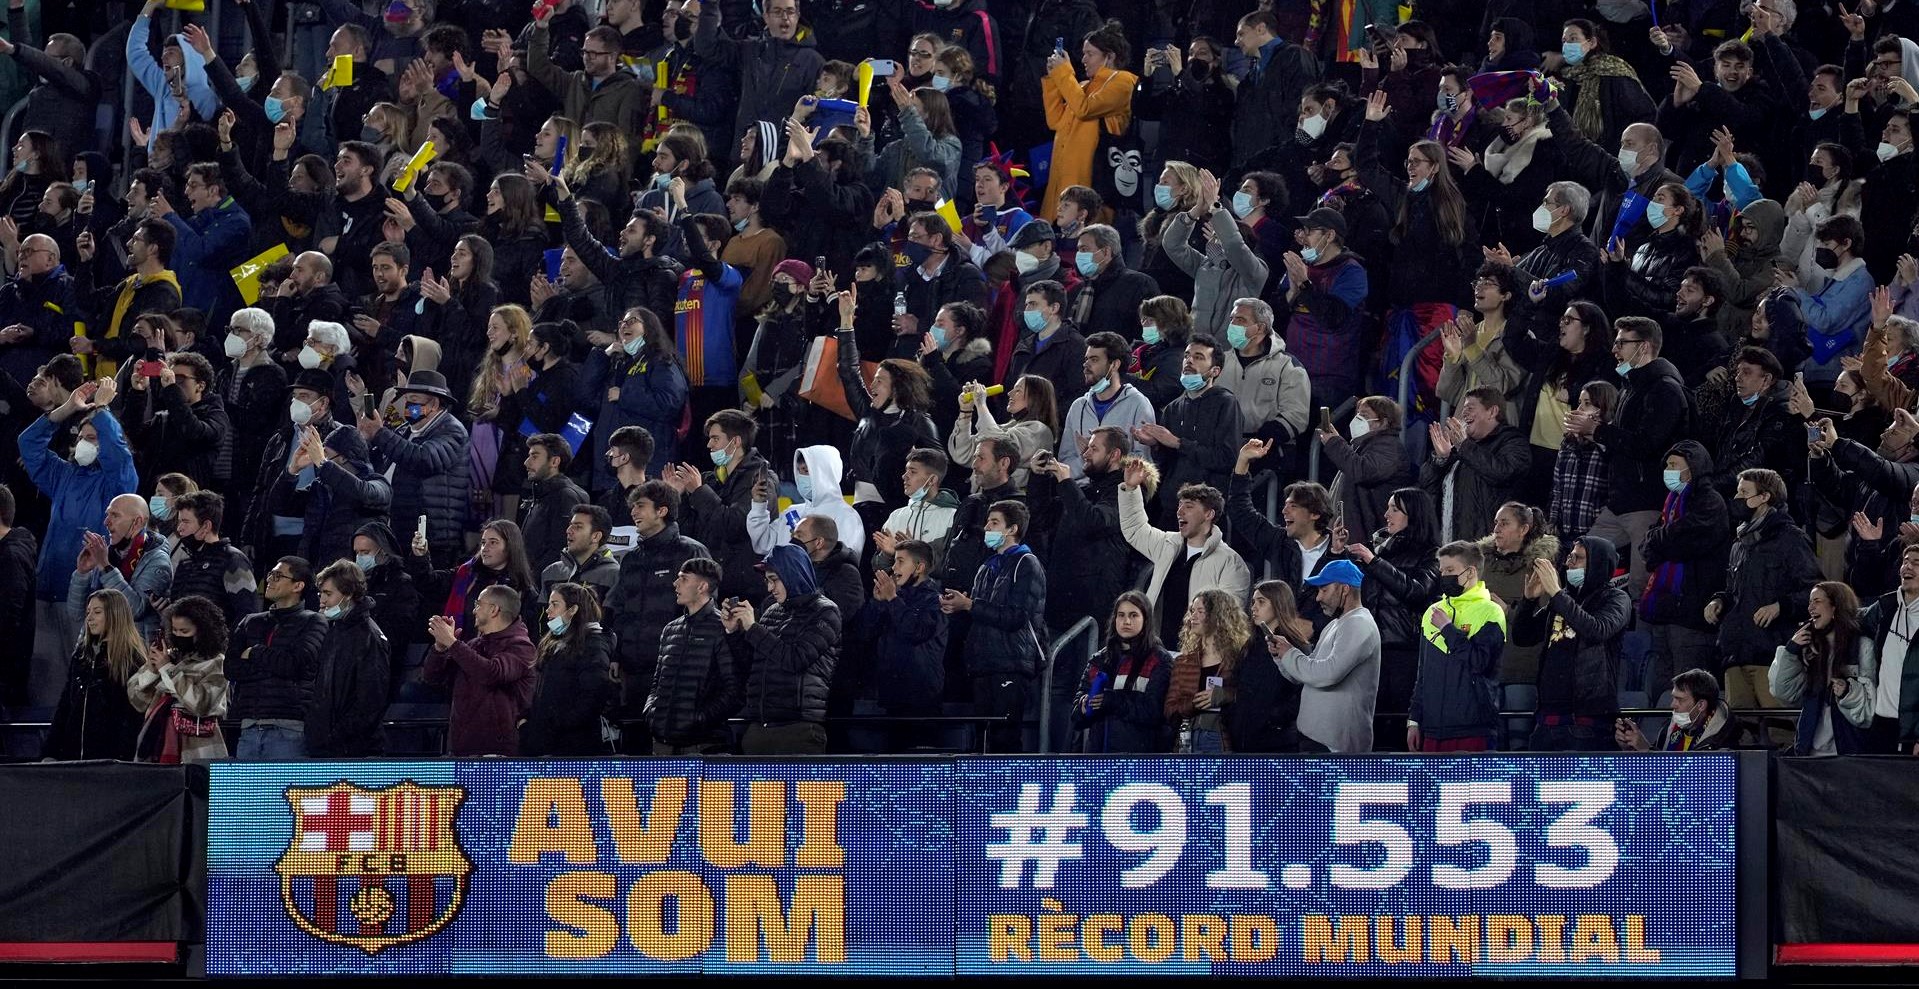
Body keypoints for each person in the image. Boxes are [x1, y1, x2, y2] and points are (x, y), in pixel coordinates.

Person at [1562, 316, 1690, 597]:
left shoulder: (1664, 389)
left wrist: (1598, 430)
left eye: (1622, 343)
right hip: (1619, 502)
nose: (1615, 349)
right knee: (1582, 562)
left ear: (1643, 347)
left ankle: (1636, 640)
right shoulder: (1631, 387)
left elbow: (1647, 445)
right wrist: (1595, 435)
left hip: (1646, 504)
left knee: (1640, 587)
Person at [1709, 468, 1822, 732]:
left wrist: (1781, 606)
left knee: (1780, 732)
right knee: (1741, 736)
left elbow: (1815, 589)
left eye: (1743, 492)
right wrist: (1718, 601)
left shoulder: (1790, 539)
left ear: (1764, 497)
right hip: (1736, 654)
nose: (1737, 498)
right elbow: (1733, 590)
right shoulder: (1739, 542)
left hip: (1771, 654)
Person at [940, 499, 1047, 754]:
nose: (986, 526)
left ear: (1012, 529)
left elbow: (1016, 617)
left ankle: (1007, 792)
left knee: (1005, 741)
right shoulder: (987, 567)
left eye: (994, 522)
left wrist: (970, 605)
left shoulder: (1026, 563)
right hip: (983, 663)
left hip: (1010, 663)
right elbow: (978, 611)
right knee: (982, 741)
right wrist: (957, 605)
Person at [604, 481, 711, 731]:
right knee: (635, 743)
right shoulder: (631, 559)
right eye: (632, 506)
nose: (633, 512)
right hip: (633, 672)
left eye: (641, 506)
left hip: (675, 671)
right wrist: (616, 655)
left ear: (662, 511)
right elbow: (620, 609)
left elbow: (703, 612)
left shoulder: (691, 551)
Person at [721, 543, 840, 754]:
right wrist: (734, 633)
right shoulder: (771, 611)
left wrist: (753, 628)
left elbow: (795, 660)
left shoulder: (826, 611)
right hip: (759, 727)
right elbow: (751, 663)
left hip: (799, 730)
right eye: (767, 580)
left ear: (793, 573)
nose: (769, 588)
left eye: (774, 579)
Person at [23, 377, 135, 602]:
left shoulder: (118, 483)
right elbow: (29, 443)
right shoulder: (63, 474)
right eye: (81, 437)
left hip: (91, 594)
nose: (83, 443)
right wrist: (67, 409)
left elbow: (117, 456)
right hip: (47, 586)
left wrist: (102, 408)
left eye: (92, 438)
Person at [1514, 535, 1631, 751]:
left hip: (1586, 721)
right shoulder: (1563, 599)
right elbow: (1523, 637)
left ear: (1596, 564)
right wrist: (1528, 600)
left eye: (1578, 558)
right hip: (1547, 718)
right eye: (1570, 556)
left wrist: (1557, 594)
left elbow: (1597, 630)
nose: (1569, 562)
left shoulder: (1616, 598)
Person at [1119, 461, 1252, 648]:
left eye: (1188, 506)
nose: (1179, 512)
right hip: (1155, 650)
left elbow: (1228, 619)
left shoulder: (1231, 563)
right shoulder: (1167, 544)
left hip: (1197, 656)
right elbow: (1134, 529)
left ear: (1209, 514)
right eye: (1179, 506)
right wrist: (1131, 489)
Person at [1640, 441, 1733, 700]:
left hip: (1692, 613)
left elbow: (1685, 540)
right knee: (1661, 690)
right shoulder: (1670, 503)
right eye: (1667, 464)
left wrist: (1660, 540)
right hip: (1665, 611)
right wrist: (1662, 539)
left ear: (1692, 469)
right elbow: (1649, 545)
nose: (1667, 470)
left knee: (1688, 692)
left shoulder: (1710, 502)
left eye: (1674, 465)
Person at [1346, 487, 1440, 741]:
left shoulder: (1430, 553)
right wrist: (1335, 553)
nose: (1387, 514)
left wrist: (1374, 563)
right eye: (1388, 507)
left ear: (1414, 514)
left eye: (1395, 509)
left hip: (1403, 650)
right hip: (1369, 649)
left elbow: (1417, 592)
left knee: (1398, 728)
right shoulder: (1376, 549)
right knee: (1370, 726)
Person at [357, 369, 470, 566]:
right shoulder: (405, 430)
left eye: (414, 400)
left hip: (434, 541)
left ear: (434, 404)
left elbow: (422, 459)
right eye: (407, 399)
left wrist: (380, 433)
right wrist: (367, 441)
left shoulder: (452, 430)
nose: (409, 406)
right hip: (400, 532)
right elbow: (382, 465)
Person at [1273, 561, 1383, 753]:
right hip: (1316, 739)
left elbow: (1328, 674)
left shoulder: (1359, 624)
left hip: (1335, 747)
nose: (1318, 598)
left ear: (1345, 589)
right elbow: (1307, 675)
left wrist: (1289, 653)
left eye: (1324, 590)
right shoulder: (1334, 625)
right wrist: (1281, 656)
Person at [1407, 540, 1507, 752]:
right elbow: (1422, 674)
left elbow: (1479, 662)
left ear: (1470, 572)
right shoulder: (1432, 612)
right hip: (1432, 730)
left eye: (1450, 570)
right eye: (1442, 570)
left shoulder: (1491, 611)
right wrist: (1414, 721)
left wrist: (1447, 629)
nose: (1443, 576)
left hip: (1473, 728)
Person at [225, 557, 327, 760]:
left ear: (298, 585)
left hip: (289, 729)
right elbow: (231, 668)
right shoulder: (250, 622)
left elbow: (296, 665)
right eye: (271, 574)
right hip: (249, 727)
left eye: (278, 576)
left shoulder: (314, 621)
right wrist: (275, 665)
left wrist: (254, 653)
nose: (270, 579)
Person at [422, 584, 538, 757]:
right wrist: (440, 648)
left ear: (494, 610)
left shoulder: (521, 646)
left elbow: (491, 673)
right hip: (462, 750)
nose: (474, 610)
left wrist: (453, 643)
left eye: (478, 604)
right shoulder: (473, 645)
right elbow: (432, 678)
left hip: (497, 753)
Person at [1135, 335, 1243, 515]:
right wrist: (1155, 444)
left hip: (1206, 508)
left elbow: (1226, 459)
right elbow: (1166, 463)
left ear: (1215, 371)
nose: (1189, 361)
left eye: (1198, 357)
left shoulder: (1226, 403)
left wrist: (1178, 443)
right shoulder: (1172, 408)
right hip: (1171, 504)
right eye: (1186, 356)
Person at [1039, 21, 1137, 218]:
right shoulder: (1083, 86)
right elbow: (1055, 120)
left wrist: (1064, 73)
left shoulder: (1123, 81)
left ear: (1109, 56)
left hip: (1093, 186)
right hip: (1062, 186)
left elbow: (1085, 109)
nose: (1083, 59)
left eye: (1090, 54)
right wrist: (1053, 79)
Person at [1772, 581, 1878, 756]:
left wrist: (1848, 692)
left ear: (1836, 606)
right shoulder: (1809, 649)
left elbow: (1869, 711)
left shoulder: (1862, 646)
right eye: (1809, 602)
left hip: (1847, 753)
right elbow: (1783, 692)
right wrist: (1791, 652)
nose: (1810, 608)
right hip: (1811, 751)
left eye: (1817, 601)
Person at [648, 557, 739, 755]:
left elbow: (734, 689)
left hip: (702, 746)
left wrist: (699, 719)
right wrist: (652, 712)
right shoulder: (670, 629)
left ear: (702, 586)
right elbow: (657, 682)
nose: (675, 583)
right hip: (663, 745)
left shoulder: (723, 628)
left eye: (683, 579)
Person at [1417, 387, 1531, 542]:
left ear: (1492, 412)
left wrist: (1464, 446)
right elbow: (1426, 485)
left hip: (1486, 545)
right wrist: (1440, 459)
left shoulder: (1513, 442)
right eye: (1463, 409)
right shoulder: (1461, 447)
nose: (1464, 414)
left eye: (1470, 408)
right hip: (1450, 542)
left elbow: (1502, 473)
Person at [43, 590, 146, 760]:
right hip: (71, 758)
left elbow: (133, 718)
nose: (89, 618)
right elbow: (65, 707)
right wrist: (50, 752)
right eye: (88, 612)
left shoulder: (132, 660)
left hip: (111, 762)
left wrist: (123, 760)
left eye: (97, 612)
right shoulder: (82, 655)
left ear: (115, 615)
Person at [304, 560, 391, 758]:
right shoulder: (334, 630)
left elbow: (371, 701)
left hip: (355, 751)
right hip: (328, 747)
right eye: (320, 594)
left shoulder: (369, 636)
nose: (321, 601)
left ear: (349, 594)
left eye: (328, 594)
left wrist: (335, 736)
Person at [519, 582, 618, 757]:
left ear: (572, 610)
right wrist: (527, 721)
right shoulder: (553, 643)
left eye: (555, 604)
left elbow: (593, 695)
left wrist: (558, 723)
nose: (548, 610)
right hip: (545, 742)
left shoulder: (592, 645)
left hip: (573, 746)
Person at [860, 538, 948, 734]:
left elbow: (917, 632)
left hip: (921, 698)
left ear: (919, 567)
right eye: (894, 561)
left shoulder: (935, 600)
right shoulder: (896, 596)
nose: (893, 568)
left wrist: (892, 599)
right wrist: (878, 602)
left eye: (900, 561)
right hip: (892, 696)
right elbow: (865, 632)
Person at [129, 595, 229, 764]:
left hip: (197, 751)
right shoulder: (167, 657)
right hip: (155, 745)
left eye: (185, 631)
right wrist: (153, 671)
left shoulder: (216, 663)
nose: (178, 636)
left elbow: (201, 704)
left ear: (203, 631)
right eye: (174, 630)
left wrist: (168, 670)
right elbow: (136, 700)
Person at [1073, 590, 1172, 754]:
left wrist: (1113, 700)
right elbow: (1076, 716)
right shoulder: (1099, 659)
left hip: (1139, 761)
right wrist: (1084, 705)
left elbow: (1154, 712)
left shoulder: (1159, 660)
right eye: (1121, 615)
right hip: (1098, 758)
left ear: (1145, 619)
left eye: (1134, 615)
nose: (1126, 621)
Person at [68, 493, 174, 643]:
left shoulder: (157, 560)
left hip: (131, 655)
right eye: (107, 515)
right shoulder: (106, 554)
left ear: (137, 522)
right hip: (96, 649)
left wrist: (105, 567)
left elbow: (136, 610)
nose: (106, 522)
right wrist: (82, 573)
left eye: (115, 516)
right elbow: (76, 614)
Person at [1317, 396, 1414, 551]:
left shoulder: (1389, 447)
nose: (1357, 419)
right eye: (1357, 415)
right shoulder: (1361, 446)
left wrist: (1335, 443)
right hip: (1356, 539)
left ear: (1383, 422)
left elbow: (1363, 471)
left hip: (1372, 541)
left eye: (1365, 416)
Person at [1229, 10, 1320, 170]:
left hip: (1282, 165)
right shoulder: (1251, 74)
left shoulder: (1295, 56)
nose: (1236, 41)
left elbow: (1304, 110)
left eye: (1241, 34)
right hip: (1253, 164)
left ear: (1261, 28)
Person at [1057, 332, 1155, 478]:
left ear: (1114, 365)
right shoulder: (1078, 406)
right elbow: (1065, 461)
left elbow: (1143, 462)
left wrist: (1099, 458)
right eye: (1086, 359)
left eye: (1094, 359)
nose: (1086, 365)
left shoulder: (1138, 404)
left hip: (1115, 492)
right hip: (1080, 490)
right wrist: (1089, 459)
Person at [165, 491, 259, 630]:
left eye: (185, 522)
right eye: (179, 522)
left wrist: (229, 648)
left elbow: (247, 615)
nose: (179, 528)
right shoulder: (186, 563)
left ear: (206, 526)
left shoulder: (233, 561)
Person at [1615, 668, 1750, 751]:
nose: (1672, 705)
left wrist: (1646, 750)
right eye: (1673, 698)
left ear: (1701, 705)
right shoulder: (1668, 729)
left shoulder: (1727, 736)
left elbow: (1694, 780)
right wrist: (1630, 747)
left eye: (1680, 699)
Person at [1868, 545, 1919, 754]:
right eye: (1905, 561)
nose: (1908, 566)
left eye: (1917, 563)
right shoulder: (1886, 606)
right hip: (1882, 724)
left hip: (1913, 731)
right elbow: (1851, 621)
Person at [519, 432, 590, 572]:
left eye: (534, 456)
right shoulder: (542, 495)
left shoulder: (565, 497)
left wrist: (532, 580)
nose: (526, 462)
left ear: (554, 462)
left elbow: (561, 550)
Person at [540, 505, 621, 601]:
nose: (568, 531)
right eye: (570, 525)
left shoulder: (614, 575)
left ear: (596, 536)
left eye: (578, 527)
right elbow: (542, 613)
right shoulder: (552, 571)